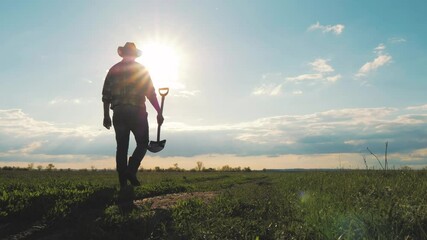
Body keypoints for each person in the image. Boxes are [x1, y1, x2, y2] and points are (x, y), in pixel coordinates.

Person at [102, 42, 164, 189]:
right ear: (134, 54)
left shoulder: (113, 70)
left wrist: (106, 115)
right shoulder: (141, 69)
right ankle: (131, 170)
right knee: (143, 143)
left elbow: (106, 96)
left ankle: (123, 182)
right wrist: (159, 111)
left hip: (119, 112)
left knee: (121, 147)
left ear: (123, 53)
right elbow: (150, 93)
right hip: (137, 112)